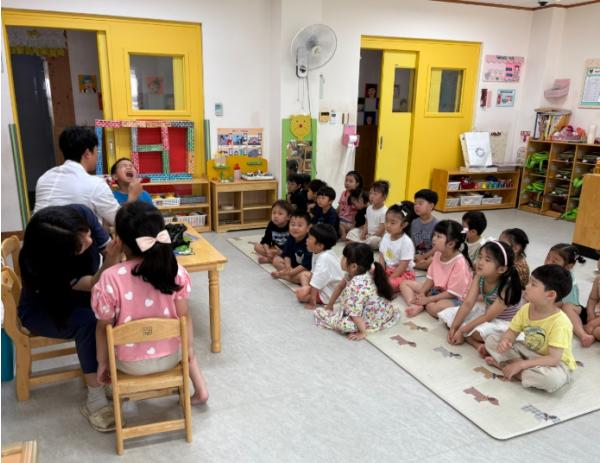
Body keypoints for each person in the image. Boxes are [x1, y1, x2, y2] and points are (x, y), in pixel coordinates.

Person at [92, 202, 208, 406]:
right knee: (185, 340)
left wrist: (103, 363)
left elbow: (103, 328)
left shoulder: (110, 278)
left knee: (104, 331)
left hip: (128, 363)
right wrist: (188, 350)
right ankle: (200, 391)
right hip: (171, 357)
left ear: (119, 240)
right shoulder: (175, 271)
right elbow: (184, 317)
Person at [18, 204, 122, 432]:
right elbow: (94, 284)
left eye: (87, 233)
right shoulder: (43, 265)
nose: (89, 241)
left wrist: (117, 250)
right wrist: (113, 258)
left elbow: (105, 246)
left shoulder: (80, 215)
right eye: (80, 245)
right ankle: (95, 399)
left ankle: (105, 374)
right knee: (90, 322)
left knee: (112, 311)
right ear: (60, 254)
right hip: (43, 308)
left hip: (77, 296)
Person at [482, 264, 577, 393]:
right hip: (528, 352)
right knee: (492, 339)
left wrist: (521, 364)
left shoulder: (561, 323)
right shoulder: (526, 308)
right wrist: (506, 340)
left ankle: (507, 367)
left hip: (554, 363)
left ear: (550, 295)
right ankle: (516, 369)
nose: (526, 287)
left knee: (551, 380)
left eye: (533, 284)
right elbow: (512, 332)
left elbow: (553, 359)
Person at [34, 126, 141, 226]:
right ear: (87, 154)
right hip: (73, 239)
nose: (97, 156)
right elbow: (121, 222)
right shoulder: (95, 184)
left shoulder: (45, 178)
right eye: (96, 151)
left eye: (131, 165)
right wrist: (132, 196)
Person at [441, 241, 523, 351]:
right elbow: (468, 303)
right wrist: (454, 328)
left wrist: (461, 330)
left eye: (487, 260)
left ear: (501, 269)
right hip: (487, 312)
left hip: (505, 322)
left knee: (477, 333)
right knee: (450, 318)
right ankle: (469, 338)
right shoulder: (480, 276)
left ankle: (472, 340)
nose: (480, 262)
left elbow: (488, 316)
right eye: (480, 257)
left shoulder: (507, 287)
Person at [314, 242, 399, 340]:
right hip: (380, 311)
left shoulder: (356, 285)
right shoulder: (367, 269)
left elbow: (355, 312)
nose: (341, 259)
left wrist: (362, 332)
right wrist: (330, 305)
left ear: (354, 266)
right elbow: (339, 287)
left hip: (368, 318)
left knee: (326, 316)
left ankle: (361, 328)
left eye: (344, 257)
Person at [400, 220, 472, 317]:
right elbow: (430, 278)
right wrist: (422, 293)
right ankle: (415, 305)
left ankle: (423, 304)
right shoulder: (438, 253)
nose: (433, 238)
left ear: (451, 244)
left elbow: (452, 293)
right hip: (436, 289)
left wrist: (428, 299)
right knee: (404, 283)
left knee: (436, 308)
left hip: (453, 297)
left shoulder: (460, 263)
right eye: (434, 235)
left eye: (439, 236)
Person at [544, 243, 593, 347]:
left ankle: (583, 335)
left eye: (554, 261)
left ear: (568, 266)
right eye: (547, 257)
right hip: (554, 309)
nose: (548, 262)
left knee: (566, 307)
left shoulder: (567, 280)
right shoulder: (543, 272)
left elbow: (561, 303)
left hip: (573, 311)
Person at [295, 224, 344, 309]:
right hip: (326, 283)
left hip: (331, 293)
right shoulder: (318, 252)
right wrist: (308, 288)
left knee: (300, 295)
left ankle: (312, 295)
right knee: (304, 275)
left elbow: (316, 282)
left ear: (320, 245)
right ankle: (308, 290)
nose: (306, 240)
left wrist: (312, 302)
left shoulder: (324, 258)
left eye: (310, 238)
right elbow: (313, 273)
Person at [378, 202, 417, 292]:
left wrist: (389, 278)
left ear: (404, 225)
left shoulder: (406, 242)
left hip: (403, 273)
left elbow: (403, 266)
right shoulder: (386, 236)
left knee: (390, 284)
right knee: (371, 271)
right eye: (386, 221)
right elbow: (381, 256)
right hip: (389, 270)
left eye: (393, 223)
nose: (388, 225)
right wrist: (381, 273)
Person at [271, 212, 312, 284]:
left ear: (308, 228)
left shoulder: (309, 242)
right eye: (292, 224)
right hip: (293, 265)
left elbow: (306, 265)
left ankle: (284, 276)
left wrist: (291, 272)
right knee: (276, 260)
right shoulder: (291, 237)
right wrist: (288, 267)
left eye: (300, 225)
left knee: (304, 276)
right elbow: (286, 254)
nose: (295, 228)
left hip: (305, 269)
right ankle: (289, 276)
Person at [346, 180, 389, 250]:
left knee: (374, 240)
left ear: (384, 197)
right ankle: (362, 243)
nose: (371, 196)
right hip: (368, 236)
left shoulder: (385, 211)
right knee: (352, 232)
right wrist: (363, 234)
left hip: (377, 237)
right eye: (371, 193)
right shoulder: (369, 208)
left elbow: (381, 230)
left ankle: (359, 243)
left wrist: (371, 236)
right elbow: (366, 223)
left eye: (375, 194)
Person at [411, 189, 439, 271]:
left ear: (431, 206)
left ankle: (412, 265)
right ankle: (414, 264)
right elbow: (412, 242)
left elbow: (436, 248)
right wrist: (413, 255)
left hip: (430, 254)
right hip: (417, 254)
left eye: (420, 203)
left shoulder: (437, 224)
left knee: (432, 260)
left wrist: (423, 256)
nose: (416, 206)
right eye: (415, 203)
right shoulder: (414, 222)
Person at [337, 171, 363, 240]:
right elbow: (339, 206)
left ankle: (344, 234)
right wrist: (335, 214)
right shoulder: (343, 193)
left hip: (350, 222)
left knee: (339, 225)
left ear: (357, 184)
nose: (347, 183)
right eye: (346, 180)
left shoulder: (358, 196)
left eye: (351, 181)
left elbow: (359, 212)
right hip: (341, 218)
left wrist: (353, 225)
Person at [584, 273, 600, 342]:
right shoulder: (598, 279)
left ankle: (593, 335)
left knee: (597, 331)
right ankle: (583, 334)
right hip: (596, 313)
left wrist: (593, 324)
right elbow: (593, 299)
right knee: (568, 307)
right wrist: (590, 314)